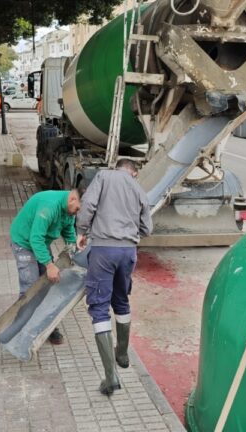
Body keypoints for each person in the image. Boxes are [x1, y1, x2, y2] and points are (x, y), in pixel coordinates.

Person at [75, 158, 152, 396]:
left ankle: (110, 378)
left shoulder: (103, 176)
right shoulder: (139, 188)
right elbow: (147, 229)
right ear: (134, 172)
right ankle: (122, 353)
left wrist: (82, 231)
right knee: (121, 300)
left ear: (118, 166)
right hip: (128, 252)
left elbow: (88, 205)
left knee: (99, 307)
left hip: (104, 251)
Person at [9, 188, 82, 344]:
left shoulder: (69, 210)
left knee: (48, 282)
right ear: (73, 199)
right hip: (24, 242)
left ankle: (45, 325)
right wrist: (49, 265)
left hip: (41, 242)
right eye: (77, 209)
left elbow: (69, 230)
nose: (77, 213)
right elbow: (35, 239)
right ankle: (21, 332)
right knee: (30, 286)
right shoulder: (49, 207)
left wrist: (73, 249)